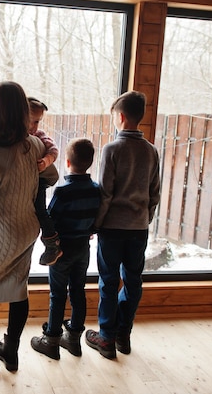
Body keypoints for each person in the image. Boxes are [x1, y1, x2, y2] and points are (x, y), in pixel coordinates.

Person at [0, 81, 57, 374]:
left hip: (1, 231)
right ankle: (11, 351)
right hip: (28, 229)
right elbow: (53, 175)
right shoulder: (33, 144)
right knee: (19, 290)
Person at [85, 90, 161, 360]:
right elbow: (155, 193)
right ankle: (123, 335)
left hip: (113, 227)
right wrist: (145, 218)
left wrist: (96, 224)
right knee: (133, 281)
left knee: (108, 282)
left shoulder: (112, 149)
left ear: (120, 117)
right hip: (138, 228)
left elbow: (105, 193)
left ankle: (105, 338)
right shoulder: (151, 150)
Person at [30, 138, 101, 360]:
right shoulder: (96, 190)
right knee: (78, 291)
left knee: (58, 294)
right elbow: (97, 217)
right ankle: (73, 340)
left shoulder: (63, 191)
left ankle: (51, 340)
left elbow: (51, 218)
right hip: (83, 247)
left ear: (67, 162)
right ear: (90, 162)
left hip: (62, 248)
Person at [27, 97, 63, 266]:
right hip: (29, 179)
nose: (35, 127)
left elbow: (53, 149)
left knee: (40, 209)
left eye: (38, 122)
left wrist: (46, 161)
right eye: (32, 121)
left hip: (41, 179)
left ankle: (52, 244)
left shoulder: (39, 136)